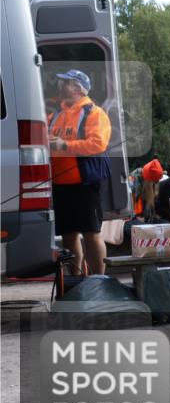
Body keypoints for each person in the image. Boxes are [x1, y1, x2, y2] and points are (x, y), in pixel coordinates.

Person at [47, 69, 112, 276]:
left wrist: (65, 145)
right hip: (60, 183)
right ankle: (75, 280)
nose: (60, 86)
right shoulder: (54, 115)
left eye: (65, 82)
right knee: (68, 235)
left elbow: (98, 144)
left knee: (91, 233)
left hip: (85, 182)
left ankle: (98, 280)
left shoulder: (94, 113)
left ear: (77, 88)